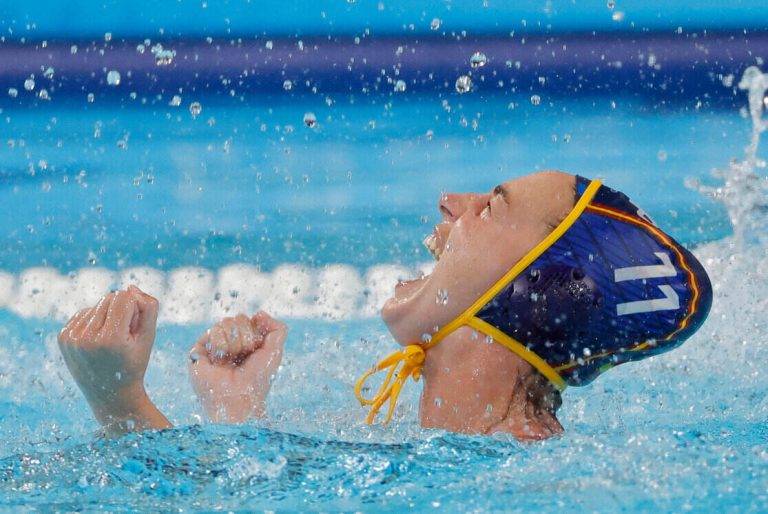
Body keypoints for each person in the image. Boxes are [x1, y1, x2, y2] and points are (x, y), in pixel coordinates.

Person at [57, 171, 712, 440]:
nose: (449, 204)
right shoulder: (468, 456)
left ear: (538, 287)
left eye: (492, 206)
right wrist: (236, 418)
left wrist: (118, 403)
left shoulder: (528, 487)